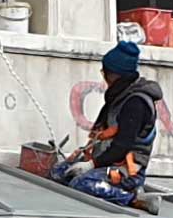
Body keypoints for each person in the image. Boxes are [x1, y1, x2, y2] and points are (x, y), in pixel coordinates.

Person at [49, 42, 164, 207]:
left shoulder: (136, 104)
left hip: (125, 170)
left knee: (81, 184)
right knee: (58, 173)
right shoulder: (119, 96)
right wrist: (83, 157)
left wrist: (91, 165)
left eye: (105, 72)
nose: (104, 77)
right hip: (103, 160)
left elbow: (121, 147)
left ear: (115, 75)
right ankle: (110, 185)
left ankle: (133, 197)